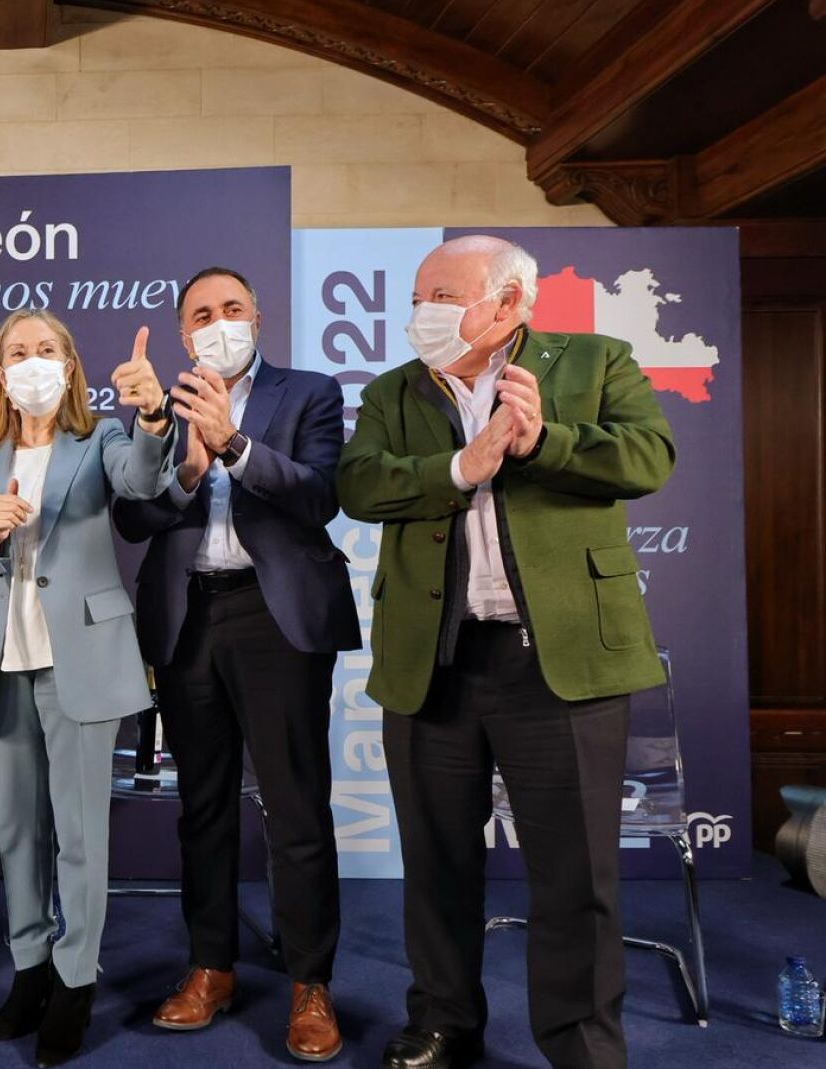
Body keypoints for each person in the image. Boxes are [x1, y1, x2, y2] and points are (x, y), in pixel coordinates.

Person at [338, 235, 675, 1069]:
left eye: (444, 297)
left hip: (559, 661)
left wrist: (543, 441)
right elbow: (360, 484)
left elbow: (649, 457)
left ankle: (582, 1042)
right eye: (418, 298)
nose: (423, 313)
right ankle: (445, 1020)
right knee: (437, 862)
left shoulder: (596, 361)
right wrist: (459, 466)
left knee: (575, 873)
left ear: (512, 301)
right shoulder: (392, 391)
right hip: (435, 659)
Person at [111, 267, 358, 1062]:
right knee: (203, 805)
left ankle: (310, 982)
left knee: (295, 804)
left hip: (274, 616)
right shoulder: (160, 405)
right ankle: (210, 966)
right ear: (183, 334)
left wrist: (234, 445)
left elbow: (320, 496)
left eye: (232, 308)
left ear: (258, 317)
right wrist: (186, 465)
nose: (218, 322)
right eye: (201, 314)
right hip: (189, 614)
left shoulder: (309, 392)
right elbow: (132, 517)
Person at [0, 308, 175, 1068]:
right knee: (17, 831)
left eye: (47, 349)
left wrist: (152, 414)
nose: (33, 361)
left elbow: (144, 479)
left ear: (70, 366)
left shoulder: (100, 438)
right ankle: (30, 968)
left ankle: (76, 979)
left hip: (82, 657)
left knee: (80, 835)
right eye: (18, 351)